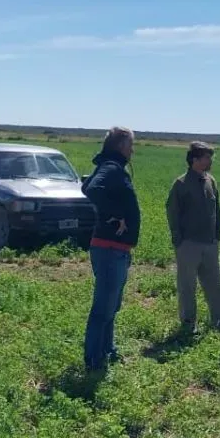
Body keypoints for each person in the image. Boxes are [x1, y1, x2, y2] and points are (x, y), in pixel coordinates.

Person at [80, 126, 141, 372]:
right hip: (109, 249)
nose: (132, 150)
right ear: (121, 146)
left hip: (117, 249)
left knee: (111, 306)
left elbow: (86, 186)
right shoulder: (111, 168)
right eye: (131, 145)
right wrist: (114, 217)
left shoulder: (111, 166)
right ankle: (94, 360)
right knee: (103, 308)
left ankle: (107, 350)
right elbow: (92, 189)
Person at [166, 141, 220, 334]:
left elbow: (216, 210)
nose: (210, 161)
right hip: (188, 244)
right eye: (206, 158)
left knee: (215, 285)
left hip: (210, 244)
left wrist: (217, 234)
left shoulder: (211, 181)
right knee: (187, 286)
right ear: (195, 160)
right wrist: (178, 239)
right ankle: (188, 324)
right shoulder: (181, 184)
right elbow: (172, 212)